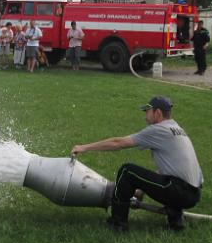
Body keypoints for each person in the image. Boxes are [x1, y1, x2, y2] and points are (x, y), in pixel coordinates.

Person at [71, 95, 203, 232]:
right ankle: (176, 221)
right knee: (166, 180)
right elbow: (171, 171)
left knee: (127, 171)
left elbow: (118, 143)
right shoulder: (177, 129)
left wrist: (84, 147)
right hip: (194, 193)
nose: (145, 115)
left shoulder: (158, 129)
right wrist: (142, 189)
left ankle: (118, 223)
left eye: (147, 111)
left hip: (181, 192)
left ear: (157, 113)